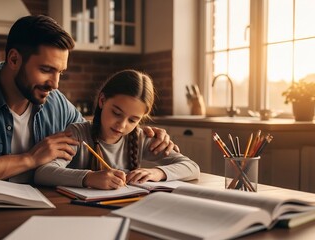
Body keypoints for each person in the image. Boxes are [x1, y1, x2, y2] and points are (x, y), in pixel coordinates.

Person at [0, 15, 177, 188]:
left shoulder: (56, 104)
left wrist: (141, 132)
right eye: (46, 70)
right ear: (14, 60)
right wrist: (30, 159)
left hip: (45, 212)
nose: (55, 84)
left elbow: (94, 137)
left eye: (61, 73)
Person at [35, 70, 200, 189]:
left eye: (133, 120)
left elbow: (191, 167)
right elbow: (43, 173)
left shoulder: (141, 138)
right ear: (102, 101)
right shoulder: (78, 134)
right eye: (116, 113)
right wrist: (89, 178)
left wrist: (157, 173)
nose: (122, 125)